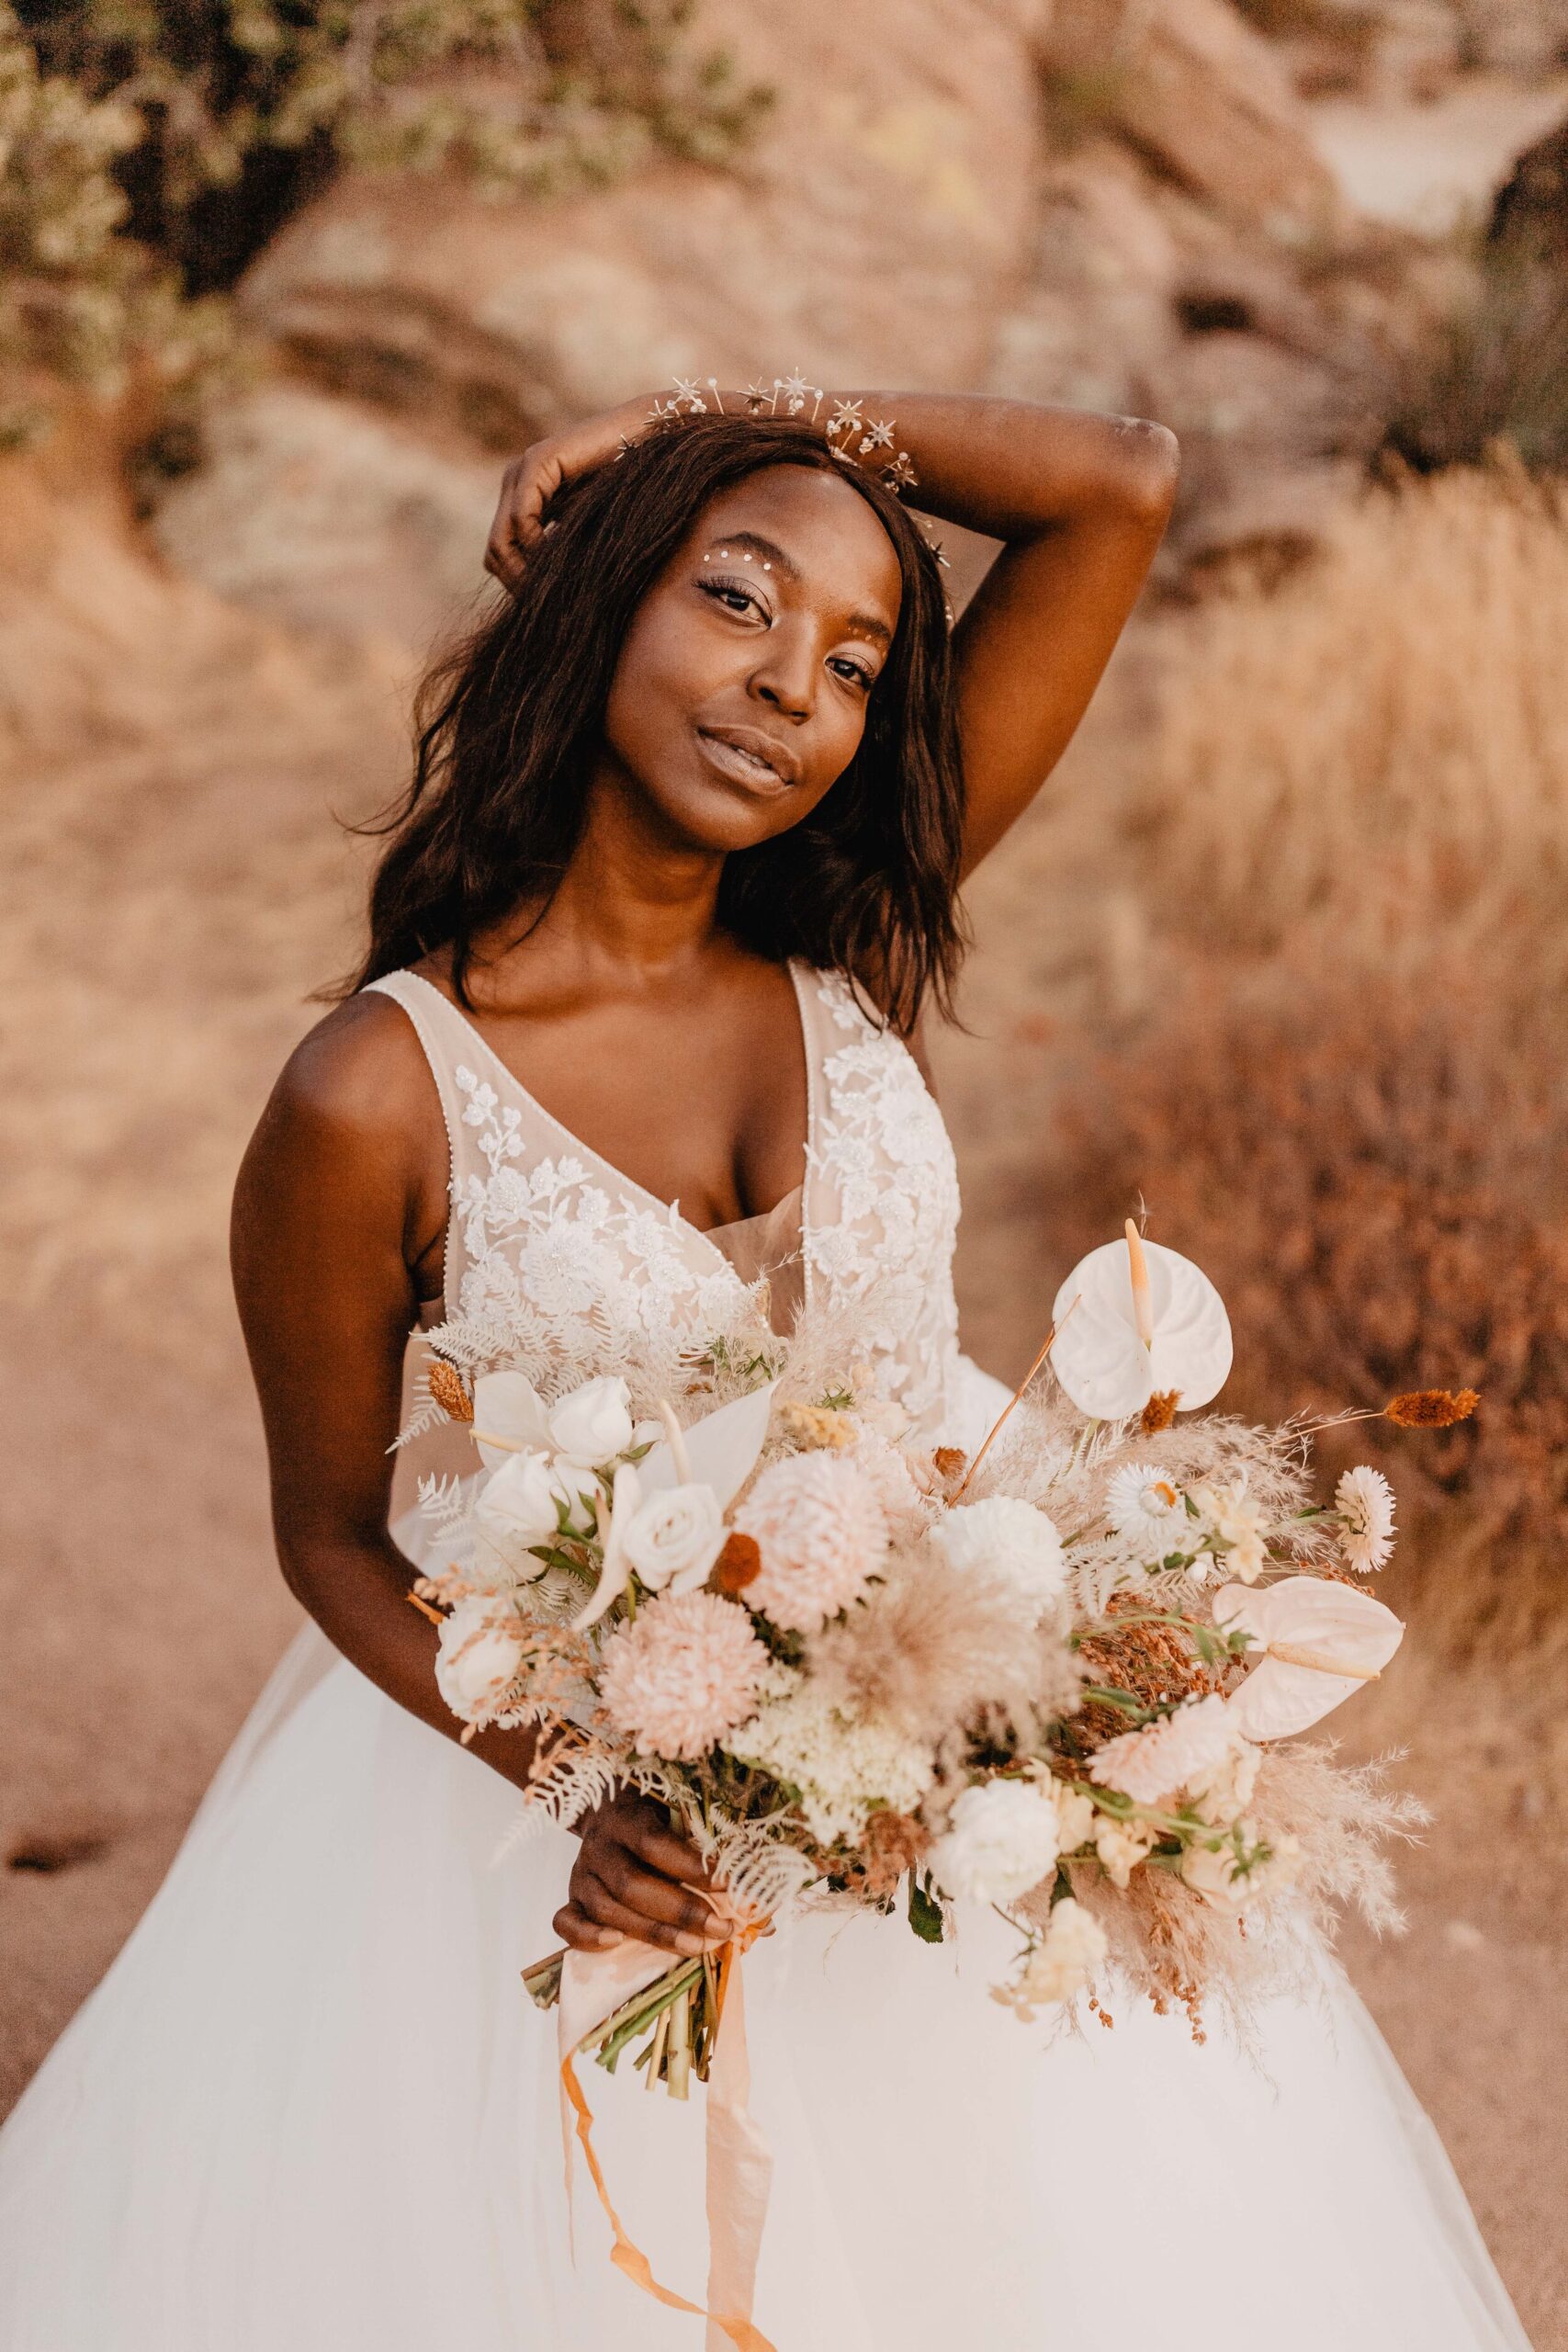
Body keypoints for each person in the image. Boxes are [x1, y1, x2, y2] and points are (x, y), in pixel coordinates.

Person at [0, 384, 1532, 2350]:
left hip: (946, 1791)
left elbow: (1121, 484)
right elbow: (328, 1535)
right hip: (567, 1824)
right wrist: (578, 1780)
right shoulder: (371, 1092)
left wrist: (712, 410)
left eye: (850, 657)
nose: (788, 683)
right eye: (733, 596)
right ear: (596, 603)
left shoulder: (846, 944)